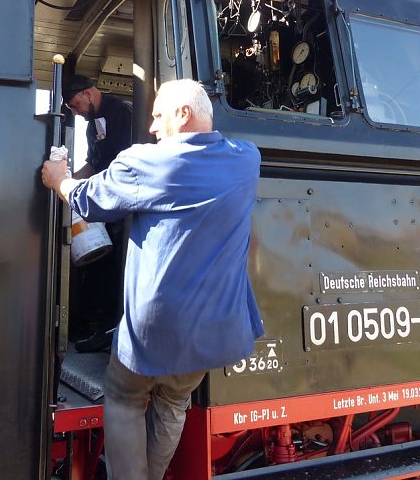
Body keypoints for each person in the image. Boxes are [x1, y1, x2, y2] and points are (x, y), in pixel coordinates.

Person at [42, 78, 264, 480]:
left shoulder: (147, 162)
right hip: (213, 330)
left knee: (125, 399)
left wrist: (58, 178)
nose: (152, 127)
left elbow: (88, 199)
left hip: (153, 330)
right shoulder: (247, 159)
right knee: (173, 404)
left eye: (159, 116)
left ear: (184, 114)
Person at [62, 75, 133, 352]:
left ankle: (110, 328)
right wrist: (65, 182)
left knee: (113, 266)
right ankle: (95, 326)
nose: (75, 112)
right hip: (106, 203)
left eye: (75, 104)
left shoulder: (123, 113)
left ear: (88, 94)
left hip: (122, 204)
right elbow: (93, 164)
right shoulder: (92, 127)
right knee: (96, 267)